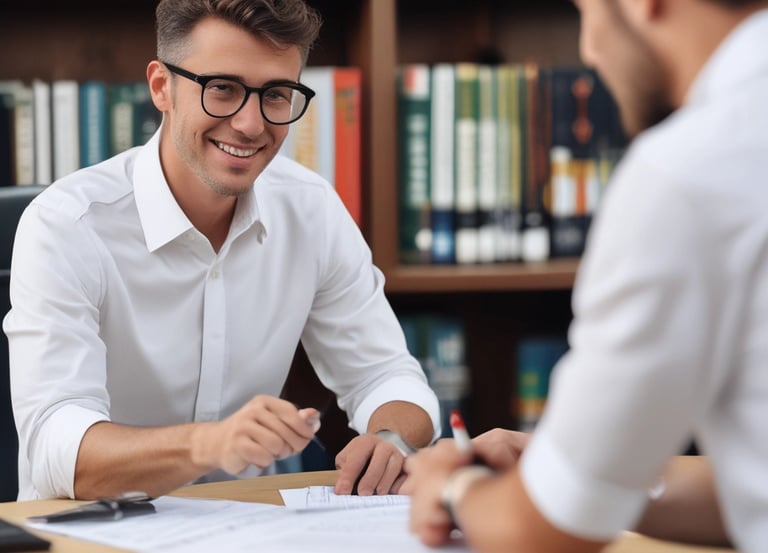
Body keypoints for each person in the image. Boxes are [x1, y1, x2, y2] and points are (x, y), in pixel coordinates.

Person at [3, 0, 440, 501]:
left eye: (276, 94)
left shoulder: (311, 210)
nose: (251, 125)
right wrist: (208, 445)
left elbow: (388, 376)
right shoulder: (68, 225)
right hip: (89, 533)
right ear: (161, 87)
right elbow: (57, 451)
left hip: (248, 530)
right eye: (223, 89)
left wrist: (389, 438)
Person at [404, 0, 768, 551]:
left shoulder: (686, 172)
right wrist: (585, 477)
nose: (589, 49)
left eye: (587, 12)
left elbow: (542, 536)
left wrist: (457, 486)